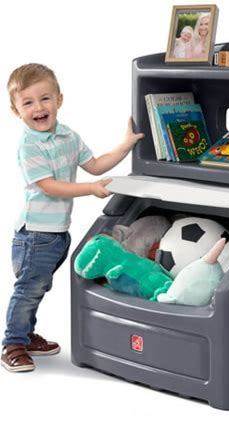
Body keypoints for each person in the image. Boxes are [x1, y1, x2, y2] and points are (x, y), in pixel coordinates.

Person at [1, 63, 144, 372]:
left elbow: (95, 165)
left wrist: (125, 145)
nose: (38, 108)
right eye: (28, 102)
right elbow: (49, 186)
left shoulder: (68, 136)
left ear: (59, 100)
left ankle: (25, 335)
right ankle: (12, 344)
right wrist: (90, 189)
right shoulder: (29, 145)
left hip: (57, 233)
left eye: (45, 98)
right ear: (16, 111)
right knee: (28, 290)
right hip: (35, 234)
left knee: (38, 288)